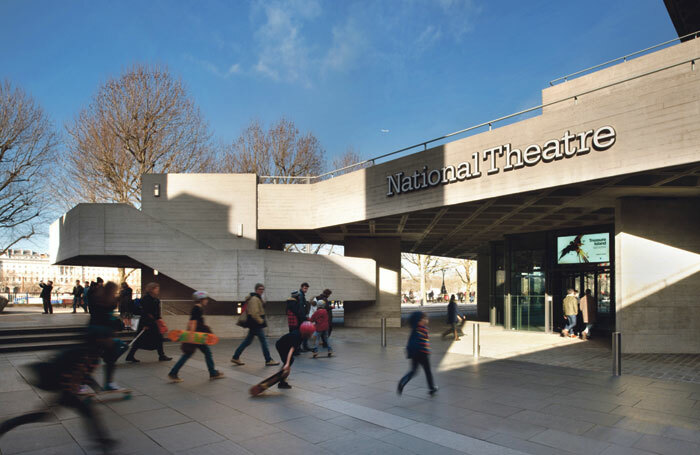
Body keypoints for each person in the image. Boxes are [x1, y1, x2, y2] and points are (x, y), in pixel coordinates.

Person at [0, 339, 116, 451]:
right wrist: (62, 396)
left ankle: (102, 440)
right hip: (57, 384)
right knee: (80, 412)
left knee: (49, 414)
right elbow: (73, 376)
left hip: (58, 383)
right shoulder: (84, 356)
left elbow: (82, 375)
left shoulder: (85, 352)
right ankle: (6, 425)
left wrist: (94, 386)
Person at [168, 291, 224, 382]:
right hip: (197, 337)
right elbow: (193, 322)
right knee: (193, 354)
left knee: (204, 353)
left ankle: (212, 372)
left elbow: (192, 322)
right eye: (206, 299)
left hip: (198, 335)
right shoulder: (197, 309)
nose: (207, 301)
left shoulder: (198, 308)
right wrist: (191, 336)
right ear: (201, 300)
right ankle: (173, 373)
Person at [87, 281, 124, 392]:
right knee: (109, 358)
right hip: (103, 333)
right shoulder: (109, 301)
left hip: (94, 331)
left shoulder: (97, 298)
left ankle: (85, 382)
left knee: (93, 359)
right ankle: (108, 383)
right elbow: (108, 317)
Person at [231, 283, 279, 366]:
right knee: (264, 342)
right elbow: (254, 313)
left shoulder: (258, 298)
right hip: (256, 324)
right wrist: (260, 321)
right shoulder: (254, 299)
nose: (261, 291)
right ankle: (268, 360)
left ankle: (235, 357)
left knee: (247, 341)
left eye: (263, 289)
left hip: (254, 324)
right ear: (256, 290)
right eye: (260, 289)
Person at [125, 282, 171, 362]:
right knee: (145, 339)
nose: (158, 290)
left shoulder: (155, 299)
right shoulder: (146, 299)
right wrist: (146, 324)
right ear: (152, 289)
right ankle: (161, 355)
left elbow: (156, 312)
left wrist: (159, 319)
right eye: (156, 288)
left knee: (155, 338)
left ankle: (130, 356)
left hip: (151, 322)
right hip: (147, 322)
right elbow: (145, 312)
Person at [398, 311, 437, 396]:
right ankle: (432, 388)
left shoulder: (414, 329)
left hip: (415, 354)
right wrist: (427, 351)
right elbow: (424, 343)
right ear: (420, 320)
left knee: (413, 371)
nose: (426, 320)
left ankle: (403, 381)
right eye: (425, 318)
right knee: (428, 371)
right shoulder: (423, 329)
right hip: (422, 354)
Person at [275, 321, 315, 389]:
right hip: (281, 346)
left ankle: (282, 375)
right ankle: (282, 382)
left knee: (290, 361)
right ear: (306, 333)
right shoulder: (297, 336)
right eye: (310, 334)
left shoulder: (302, 334)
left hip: (286, 345)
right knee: (289, 362)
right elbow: (291, 350)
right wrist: (287, 364)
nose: (311, 335)